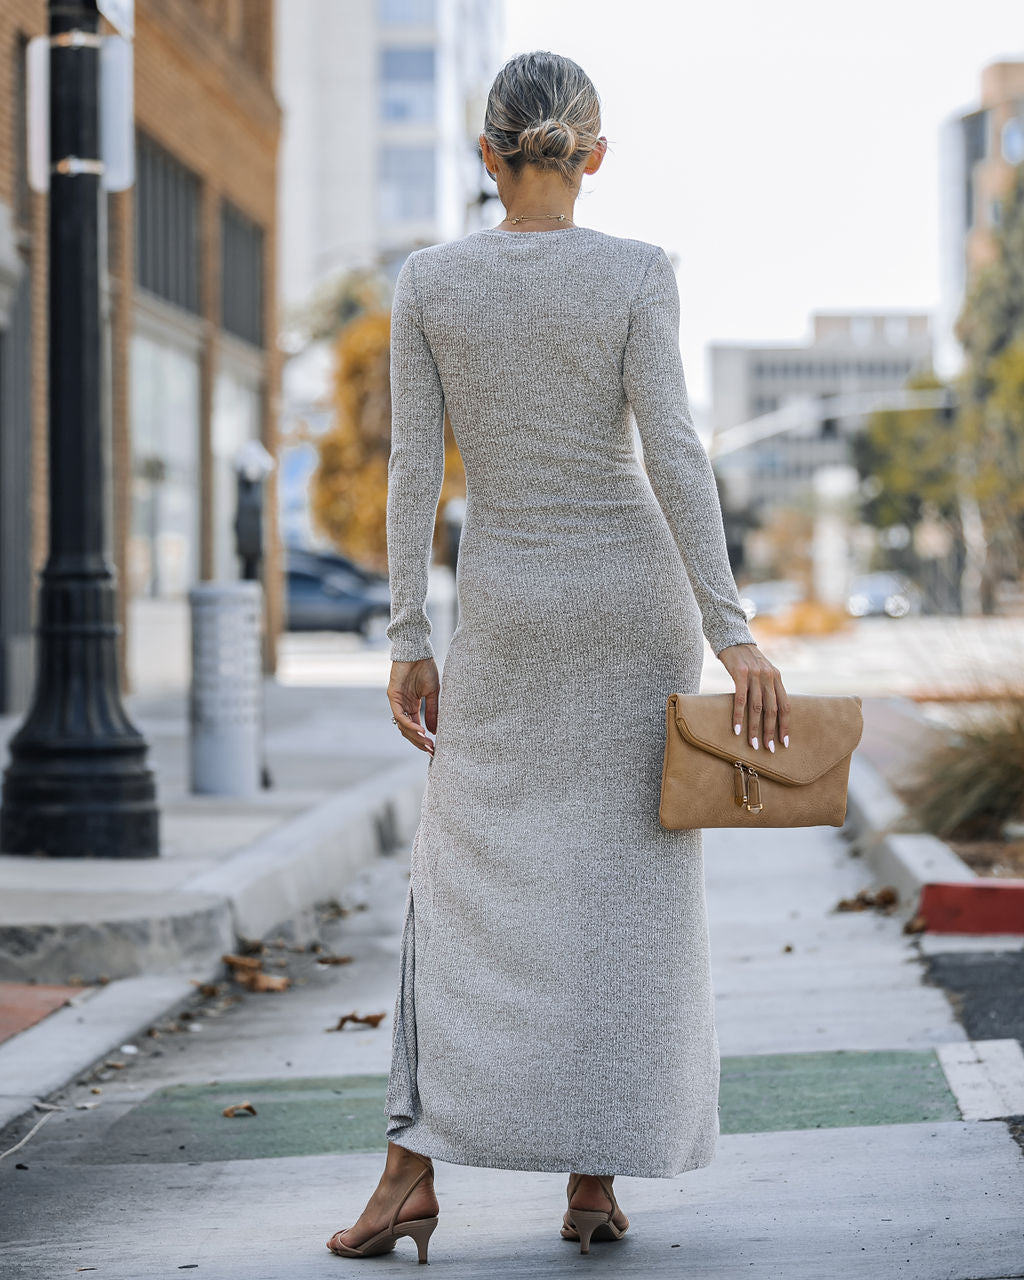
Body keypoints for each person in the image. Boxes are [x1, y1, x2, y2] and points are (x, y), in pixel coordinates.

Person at [327, 49, 790, 1264]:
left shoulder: (428, 280)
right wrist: (730, 628)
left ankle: (406, 1174)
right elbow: (676, 454)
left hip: (513, 608)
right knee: (622, 897)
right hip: (634, 608)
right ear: (594, 154)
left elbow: (413, 472)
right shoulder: (639, 273)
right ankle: (591, 1181)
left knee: (459, 886)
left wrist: (407, 636)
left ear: (486, 155)